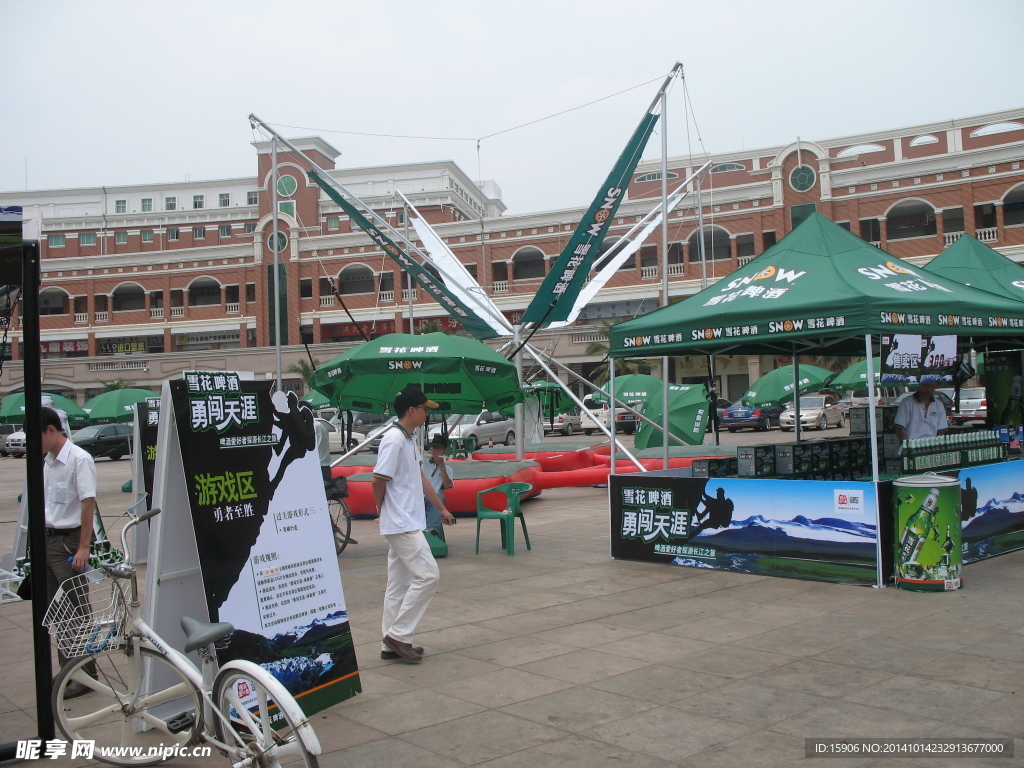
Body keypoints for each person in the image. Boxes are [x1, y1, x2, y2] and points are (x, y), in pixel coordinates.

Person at [371, 386, 455, 662]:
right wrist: (382, 510)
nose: (427, 413)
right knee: (428, 575)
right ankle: (398, 635)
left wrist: (441, 507)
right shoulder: (394, 439)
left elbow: (420, 479)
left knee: (398, 584)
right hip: (401, 523)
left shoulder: (409, 440)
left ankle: (389, 645)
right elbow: (378, 479)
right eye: (424, 408)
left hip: (407, 520)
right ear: (412, 411)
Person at [41, 406, 97, 698]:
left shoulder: (78, 459)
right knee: (58, 611)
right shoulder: (48, 463)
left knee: (76, 608)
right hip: (50, 540)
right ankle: (69, 671)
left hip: (69, 541)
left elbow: (88, 503)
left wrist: (83, 547)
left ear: (51, 430)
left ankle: (86, 675)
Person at [423, 434, 454, 537]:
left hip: (434, 499)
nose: (435, 450)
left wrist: (442, 466)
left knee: (440, 497)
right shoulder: (423, 463)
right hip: (419, 497)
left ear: (445, 450)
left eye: (439, 448)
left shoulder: (448, 469)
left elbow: (447, 485)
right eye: (434, 447)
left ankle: (431, 530)